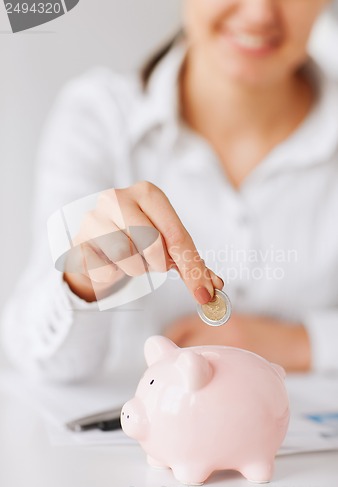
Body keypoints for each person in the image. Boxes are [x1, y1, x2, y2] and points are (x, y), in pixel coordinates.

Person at [1, 0, 338, 384]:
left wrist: (302, 343)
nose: (260, 12)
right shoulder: (99, 118)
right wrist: (86, 278)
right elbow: (42, 359)